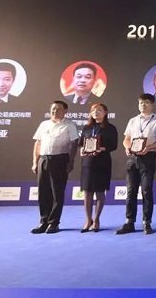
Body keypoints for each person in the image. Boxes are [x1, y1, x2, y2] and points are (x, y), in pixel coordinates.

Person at [116, 94, 156, 235]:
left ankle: (147, 222)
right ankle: (129, 222)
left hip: (148, 157)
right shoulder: (133, 120)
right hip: (132, 158)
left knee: (146, 190)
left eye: (146, 102)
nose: (142, 105)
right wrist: (127, 147)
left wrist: (150, 147)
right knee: (131, 191)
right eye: (140, 103)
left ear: (152, 105)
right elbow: (126, 138)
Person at [30, 100, 79, 234]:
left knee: (57, 193)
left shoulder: (70, 125)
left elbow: (74, 143)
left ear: (65, 111)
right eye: (53, 108)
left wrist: (71, 161)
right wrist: (35, 161)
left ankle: (54, 223)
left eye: (58, 109)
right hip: (43, 159)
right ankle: (43, 221)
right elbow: (38, 143)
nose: (54, 111)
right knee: (43, 193)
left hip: (60, 160)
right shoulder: (44, 124)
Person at [78, 103, 118, 233]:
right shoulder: (87, 127)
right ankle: (88, 220)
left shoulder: (110, 128)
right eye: (93, 110)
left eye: (99, 110)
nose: (96, 112)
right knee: (87, 192)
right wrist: (82, 150)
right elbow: (81, 144)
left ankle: (96, 220)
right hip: (87, 162)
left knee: (100, 192)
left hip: (102, 162)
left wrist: (101, 148)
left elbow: (114, 145)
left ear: (105, 112)